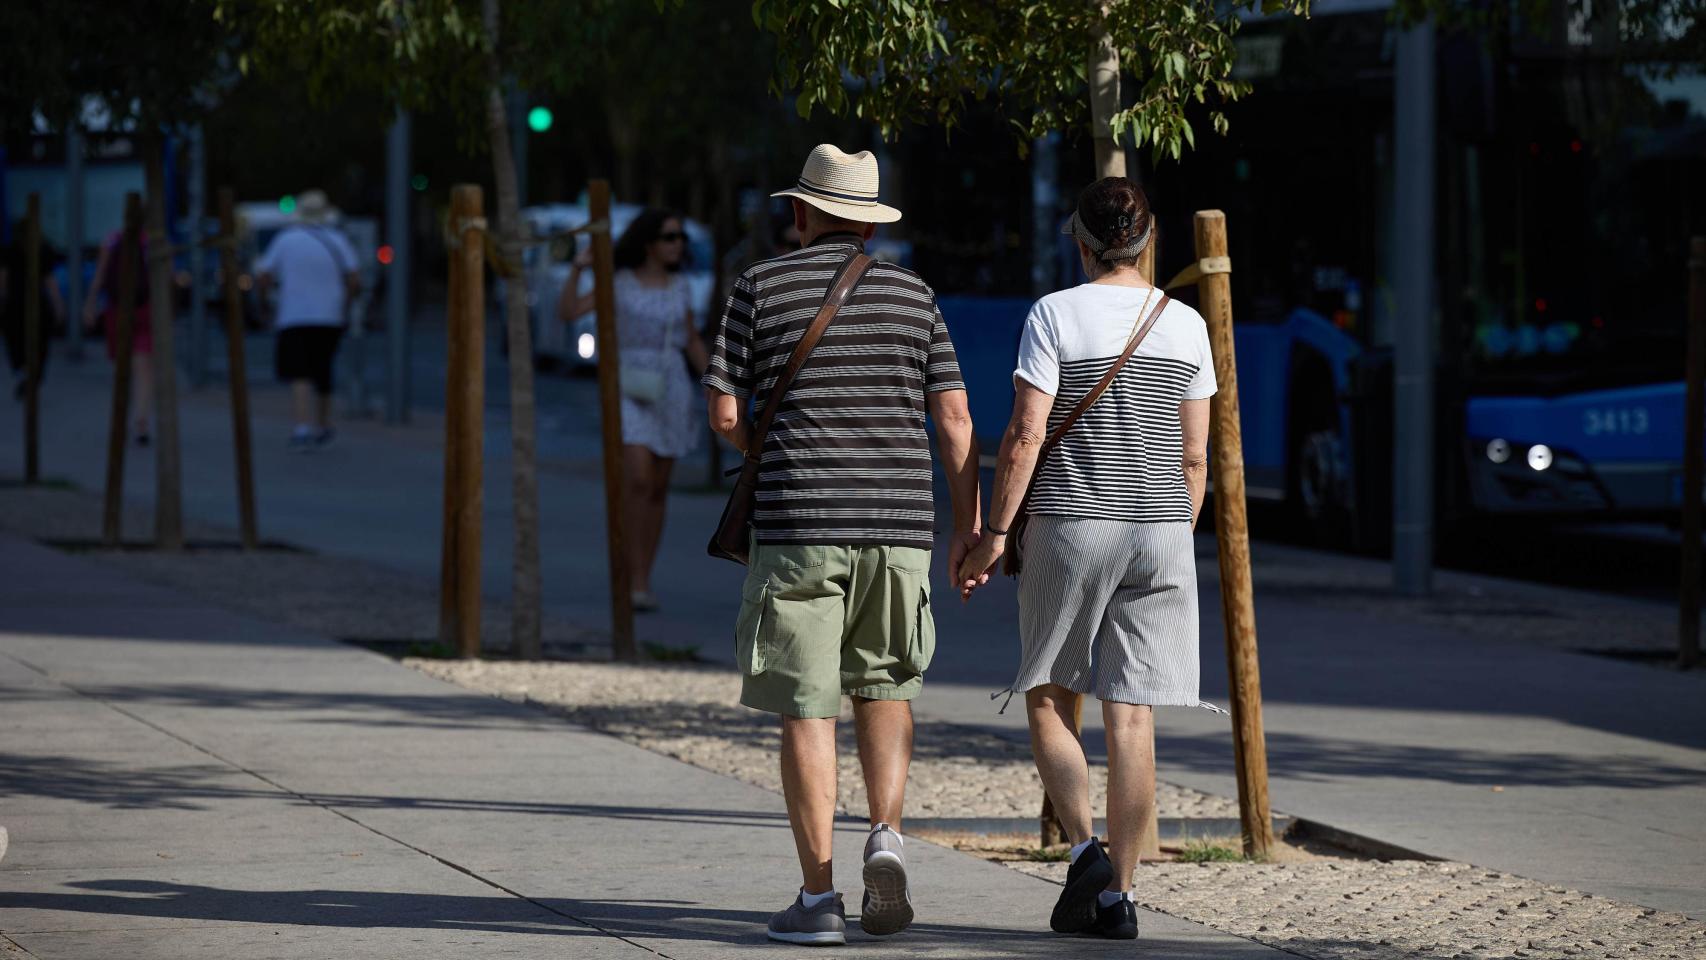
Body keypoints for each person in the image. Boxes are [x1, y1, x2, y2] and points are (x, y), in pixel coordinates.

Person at [702, 144, 981, 946]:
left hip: (798, 525)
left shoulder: (759, 285)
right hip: (898, 526)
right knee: (886, 687)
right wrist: (971, 530)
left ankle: (819, 900)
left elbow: (725, 415)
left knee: (805, 704)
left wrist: (766, 444)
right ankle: (886, 833)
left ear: (800, 212)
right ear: (867, 221)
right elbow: (956, 421)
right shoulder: (913, 293)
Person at [958, 177, 1218, 941]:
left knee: (1047, 691)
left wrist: (996, 533)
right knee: (1131, 714)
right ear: (1150, 238)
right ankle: (1122, 899)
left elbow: (1026, 435)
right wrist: (1169, 528)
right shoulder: (1187, 324)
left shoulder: (1055, 315)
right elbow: (1195, 457)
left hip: (1071, 523)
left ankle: (1084, 851)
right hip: (1163, 530)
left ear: (1078, 239)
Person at [558, 209, 709, 611]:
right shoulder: (619, 283)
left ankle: (641, 579)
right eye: (669, 237)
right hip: (627, 385)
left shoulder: (680, 288)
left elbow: (691, 339)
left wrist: (718, 386)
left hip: (671, 386)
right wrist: (579, 268)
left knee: (657, 489)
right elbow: (569, 311)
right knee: (638, 478)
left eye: (681, 238)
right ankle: (627, 572)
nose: (677, 245)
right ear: (648, 243)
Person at [255, 189, 361, 450]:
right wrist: (345, 304)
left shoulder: (286, 240)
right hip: (330, 315)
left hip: (294, 314)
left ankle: (302, 426)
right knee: (323, 369)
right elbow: (354, 278)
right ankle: (323, 423)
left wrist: (267, 301)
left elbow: (264, 275)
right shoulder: (338, 240)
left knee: (298, 371)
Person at [82, 224, 154, 444]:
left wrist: (90, 304)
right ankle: (140, 419)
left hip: (117, 310)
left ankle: (122, 419)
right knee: (142, 368)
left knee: (124, 368)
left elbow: (100, 274)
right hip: (144, 309)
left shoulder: (112, 240)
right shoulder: (150, 241)